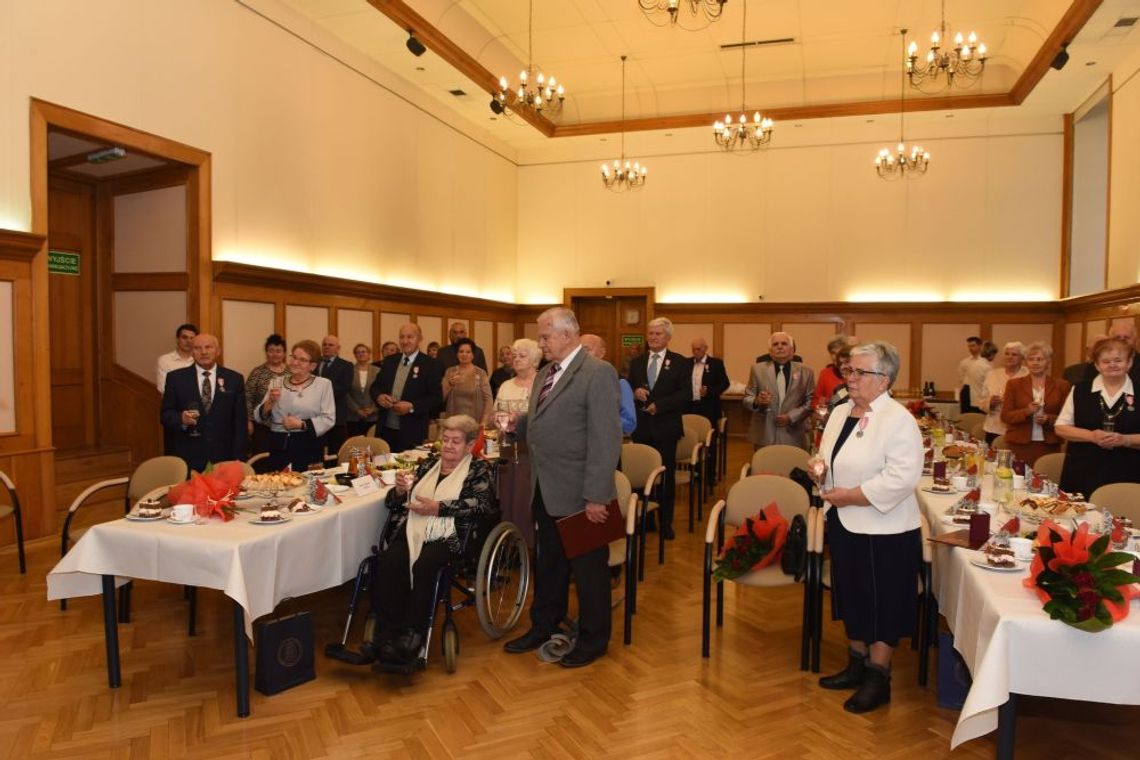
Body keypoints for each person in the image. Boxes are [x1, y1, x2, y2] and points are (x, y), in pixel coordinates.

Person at [503, 308, 621, 668]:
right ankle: (543, 625)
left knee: (589, 572)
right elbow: (541, 417)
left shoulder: (598, 373)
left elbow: (606, 439)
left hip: (581, 493)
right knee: (549, 563)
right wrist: (517, 425)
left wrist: (597, 496)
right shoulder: (546, 374)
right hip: (545, 487)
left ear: (568, 335)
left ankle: (592, 640)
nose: (540, 343)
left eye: (544, 336)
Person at [814, 341, 923, 714]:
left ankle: (879, 675)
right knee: (852, 593)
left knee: (883, 602)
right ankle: (855, 663)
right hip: (843, 520)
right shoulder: (840, 410)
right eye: (849, 371)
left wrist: (853, 495)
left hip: (884, 527)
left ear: (884, 379)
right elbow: (827, 453)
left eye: (861, 372)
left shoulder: (898, 419)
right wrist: (819, 468)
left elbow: (902, 478)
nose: (851, 378)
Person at [368, 414, 495, 664]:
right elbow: (394, 504)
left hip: (449, 533)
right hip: (414, 528)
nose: (448, 445)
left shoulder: (479, 469)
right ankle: (387, 636)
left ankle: (412, 635)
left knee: (425, 564)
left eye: (455, 441)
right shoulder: (427, 465)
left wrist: (440, 508)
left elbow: (481, 506)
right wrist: (400, 491)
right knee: (390, 561)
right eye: (445, 439)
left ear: (469, 445)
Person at [627, 317, 691, 540]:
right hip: (642, 428)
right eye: (651, 333)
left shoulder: (681, 362)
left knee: (665, 477)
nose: (653, 337)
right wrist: (635, 392)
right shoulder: (636, 362)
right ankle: (646, 519)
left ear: (668, 337)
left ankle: (666, 522)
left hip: (666, 428)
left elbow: (685, 394)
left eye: (658, 334)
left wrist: (661, 406)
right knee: (642, 477)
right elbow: (628, 388)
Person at [1055, 337, 1140, 498]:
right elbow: (1061, 428)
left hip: (1129, 472)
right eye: (1106, 361)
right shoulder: (1080, 390)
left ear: (1129, 363)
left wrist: (1125, 439)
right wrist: (1092, 436)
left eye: (1118, 360)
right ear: (1097, 365)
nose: (1112, 365)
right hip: (1083, 471)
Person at [160, 333, 248, 472]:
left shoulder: (234, 379)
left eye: (208, 347)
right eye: (197, 348)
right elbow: (165, 415)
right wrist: (180, 419)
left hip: (224, 457)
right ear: (192, 352)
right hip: (188, 457)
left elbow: (240, 423)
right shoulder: (176, 378)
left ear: (218, 351)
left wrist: (239, 459)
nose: (204, 352)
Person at [255, 339, 335, 471]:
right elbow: (259, 416)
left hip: (309, 446)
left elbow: (329, 419)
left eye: (302, 360)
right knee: (279, 487)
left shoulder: (323, 384)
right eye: (294, 357)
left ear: (313, 366)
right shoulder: (276, 382)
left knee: (308, 488)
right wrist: (270, 402)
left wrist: (301, 424)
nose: (295, 362)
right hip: (279, 446)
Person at [370, 323, 443, 453]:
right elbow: (375, 387)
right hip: (385, 430)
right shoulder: (389, 361)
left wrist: (411, 407)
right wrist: (379, 397)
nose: (405, 341)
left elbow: (436, 398)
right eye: (402, 337)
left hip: (412, 431)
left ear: (419, 338)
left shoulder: (430, 364)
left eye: (410, 337)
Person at [999, 342, 1070, 466]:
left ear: (1048, 362)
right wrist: (1026, 411)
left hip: (1049, 444)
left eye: (1040, 359)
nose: (1035, 363)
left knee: (1045, 481)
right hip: (1019, 444)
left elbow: (1067, 418)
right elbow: (1005, 416)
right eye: (1031, 359)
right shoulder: (1013, 385)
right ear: (1026, 362)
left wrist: (1049, 419)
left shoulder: (1062, 385)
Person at [744, 332, 815, 451]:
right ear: (770, 351)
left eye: (784, 343)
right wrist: (757, 401)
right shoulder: (757, 369)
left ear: (792, 350)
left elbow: (811, 400)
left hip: (795, 433)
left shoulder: (806, 371)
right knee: (765, 468)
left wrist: (790, 417)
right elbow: (747, 398)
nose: (780, 346)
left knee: (793, 468)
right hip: (765, 433)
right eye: (775, 344)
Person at [580, 334, 636, 435]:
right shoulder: (570, 381)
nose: (581, 354)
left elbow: (629, 424)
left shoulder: (619, 384)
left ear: (602, 353)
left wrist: (596, 420)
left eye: (586, 349)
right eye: (578, 350)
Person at [245, 333, 289, 461]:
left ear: (284, 353)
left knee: (282, 459)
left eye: (278, 351)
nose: (275, 354)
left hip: (285, 426)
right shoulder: (257, 372)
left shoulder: (291, 372)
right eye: (271, 351)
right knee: (262, 460)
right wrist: (248, 421)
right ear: (266, 352)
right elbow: (247, 397)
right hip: (262, 426)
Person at [688, 336, 729, 469]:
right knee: (690, 440)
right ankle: (694, 470)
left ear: (705, 349)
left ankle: (710, 474)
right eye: (693, 349)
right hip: (689, 407)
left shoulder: (716, 363)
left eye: (698, 349)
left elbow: (724, 383)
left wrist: (710, 390)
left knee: (709, 442)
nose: (695, 352)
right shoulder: (686, 363)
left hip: (709, 408)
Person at [981, 342, 1028, 443]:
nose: (1010, 357)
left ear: (1022, 358)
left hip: (1018, 428)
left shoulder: (1028, 376)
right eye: (1007, 354)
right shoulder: (992, 374)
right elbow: (981, 400)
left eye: (1014, 354)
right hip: (993, 428)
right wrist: (990, 402)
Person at [316, 335, 354, 457]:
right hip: (315, 415)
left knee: (335, 452)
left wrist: (320, 395)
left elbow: (344, 388)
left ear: (338, 348)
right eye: (324, 344)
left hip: (336, 415)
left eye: (330, 345)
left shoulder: (346, 365)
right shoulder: (314, 364)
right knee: (317, 452)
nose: (327, 347)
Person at [442, 337, 492, 425]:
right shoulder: (450, 371)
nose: (464, 354)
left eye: (468, 352)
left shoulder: (480, 373)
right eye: (461, 351)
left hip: (475, 422)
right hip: (453, 423)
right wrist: (449, 384)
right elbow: (441, 397)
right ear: (457, 354)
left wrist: (484, 422)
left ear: (473, 355)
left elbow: (488, 399)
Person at [495, 338, 540, 410]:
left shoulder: (544, 383)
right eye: (514, 356)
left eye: (522, 356)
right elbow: (496, 414)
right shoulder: (505, 386)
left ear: (534, 359)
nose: (516, 359)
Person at [811, 335, 853, 411]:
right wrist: (821, 407)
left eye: (839, 352)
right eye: (833, 353)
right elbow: (816, 401)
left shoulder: (856, 374)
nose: (835, 356)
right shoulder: (825, 373)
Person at [345, 343, 379, 437]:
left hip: (372, 416)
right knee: (355, 447)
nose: (361, 354)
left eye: (363, 352)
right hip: (354, 416)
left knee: (372, 446)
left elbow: (381, 391)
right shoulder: (349, 371)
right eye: (358, 352)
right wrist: (357, 410)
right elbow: (346, 393)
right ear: (355, 355)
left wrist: (373, 409)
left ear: (369, 354)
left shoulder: (377, 371)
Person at [155, 323, 198, 392]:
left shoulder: (201, 360)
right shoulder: (164, 360)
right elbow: (163, 388)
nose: (189, 341)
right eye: (184, 337)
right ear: (177, 339)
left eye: (192, 338)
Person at [957, 336, 989, 414]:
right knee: (966, 417)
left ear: (980, 346)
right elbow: (961, 378)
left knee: (978, 417)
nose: (970, 348)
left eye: (973, 345)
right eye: (969, 346)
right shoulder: (964, 362)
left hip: (980, 393)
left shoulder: (985, 362)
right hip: (966, 391)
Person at [1108, 319, 1140, 387]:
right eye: (1117, 337)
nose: (1122, 340)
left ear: (1136, 341)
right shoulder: (1101, 364)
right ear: (1110, 341)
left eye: (1126, 337)